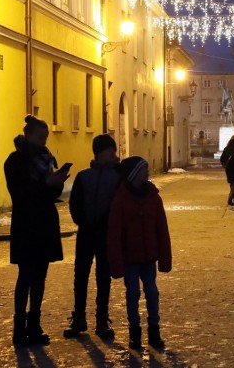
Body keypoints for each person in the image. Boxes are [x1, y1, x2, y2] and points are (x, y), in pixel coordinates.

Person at [4, 115, 71, 346]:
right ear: (29, 135)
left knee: (40, 276)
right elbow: (20, 193)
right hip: (26, 222)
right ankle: (19, 327)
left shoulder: (46, 157)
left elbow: (50, 193)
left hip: (44, 221)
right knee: (26, 276)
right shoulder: (15, 160)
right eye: (41, 137)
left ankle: (34, 325)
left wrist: (57, 183)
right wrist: (47, 185)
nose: (44, 142)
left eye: (46, 137)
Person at [107, 156, 172, 350]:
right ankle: (134, 332)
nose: (147, 172)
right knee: (133, 293)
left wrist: (165, 258)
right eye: (143, 169)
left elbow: (162, 229)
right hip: (130, 259)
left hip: (148, 257)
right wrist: (116, 263)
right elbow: (114, 233)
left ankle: (154, 330)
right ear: (134, 174)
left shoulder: (153, 197)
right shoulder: (121, 199)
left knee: (152, 292)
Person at [64, 134, 122, 340]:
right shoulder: (84, 176)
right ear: (99, 152)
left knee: (103, 276)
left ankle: (101, 318)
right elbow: (75, 202)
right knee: (81, 275)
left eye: (113, 150)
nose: (113, 153)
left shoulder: (117, 176)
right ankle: (79, 316)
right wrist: (81, 220)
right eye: (109, 150)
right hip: (87, 232)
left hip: (105, 233)